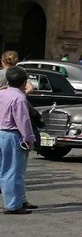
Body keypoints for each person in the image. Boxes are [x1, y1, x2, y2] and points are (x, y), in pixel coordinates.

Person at [0, 67, 38, 215]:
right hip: (12, 134)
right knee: (13, 171)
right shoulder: (19, 98)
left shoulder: (2, 94)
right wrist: (29, 139)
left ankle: (20, 199)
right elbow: (23, 121)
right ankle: (13, 204)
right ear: (24, 82)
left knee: (7, 170)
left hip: (2, 132)